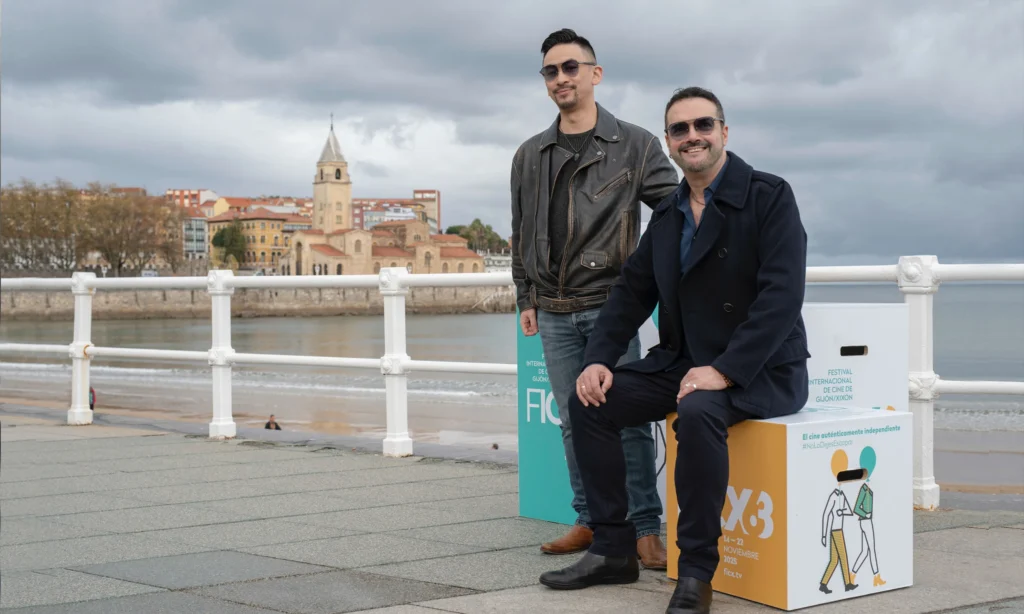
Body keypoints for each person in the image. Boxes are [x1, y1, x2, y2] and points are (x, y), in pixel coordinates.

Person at [538, 86, 810, 614]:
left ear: (724, 132)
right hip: (684, 361)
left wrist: (725, 371)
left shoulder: (769, 195)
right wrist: (598, 359)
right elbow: (631, 294)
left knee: (699, 409)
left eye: (703, 125)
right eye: (680, 129)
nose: (693, 137)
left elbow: (781, 297)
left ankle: (696, 574)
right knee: (589, 402)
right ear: (667, 143)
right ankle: (615, 547)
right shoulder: (667, 214)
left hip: (761, 369)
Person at [510, 28, 679, 568]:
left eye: (570, 68)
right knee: (571, 419)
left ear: (594, 73)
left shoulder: (636, 144)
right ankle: (591, 519)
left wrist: (646, 273)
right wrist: (525, 295)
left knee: (622, 420)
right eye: (551, 71)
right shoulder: (529, 154)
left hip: (611, 306)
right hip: (553, 311)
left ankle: (645, 529)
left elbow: (675, 212)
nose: (561, 78)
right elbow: (520, 229)